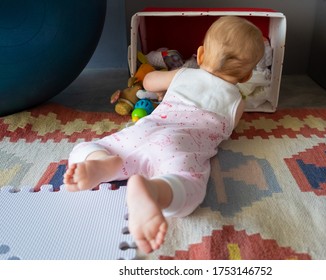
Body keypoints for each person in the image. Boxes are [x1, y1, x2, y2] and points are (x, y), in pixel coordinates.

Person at [63, 16, 264, 254]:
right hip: (181, 144)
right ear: (246, 77)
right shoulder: (237, 102)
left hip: (147, 129)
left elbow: (148, 82)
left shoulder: (184, 75)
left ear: (200, 55)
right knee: (189, 185)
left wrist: (158, 82)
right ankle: (155, 191)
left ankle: (99, 162)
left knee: (87, 147)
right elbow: (228, 129)